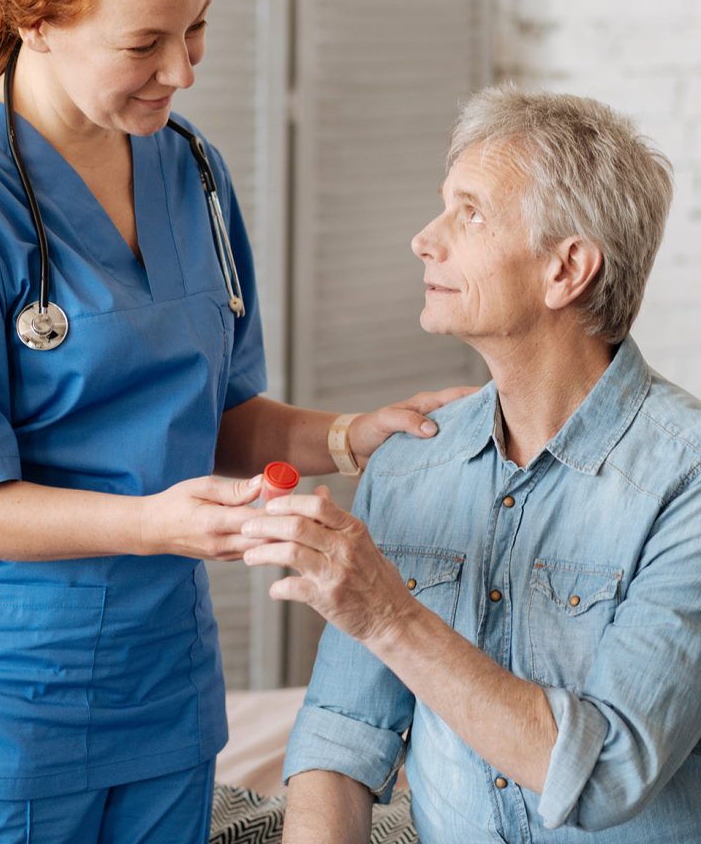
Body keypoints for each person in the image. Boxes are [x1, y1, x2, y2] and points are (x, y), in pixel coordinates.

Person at [0, 0, 470, 843]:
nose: (182, 72)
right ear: (37, 19)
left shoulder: (188, 169)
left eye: (196, 31)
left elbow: (220, 418)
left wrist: (347, 435)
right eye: (144, 44)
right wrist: (158, 523)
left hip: (160, 691)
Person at [242, 87, 701, 842]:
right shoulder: (410, 465)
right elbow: (340, 743)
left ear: (567, 269)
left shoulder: (683, 481)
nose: (425, 238)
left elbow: (610, 771)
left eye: (470, 212)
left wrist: (390, 615)